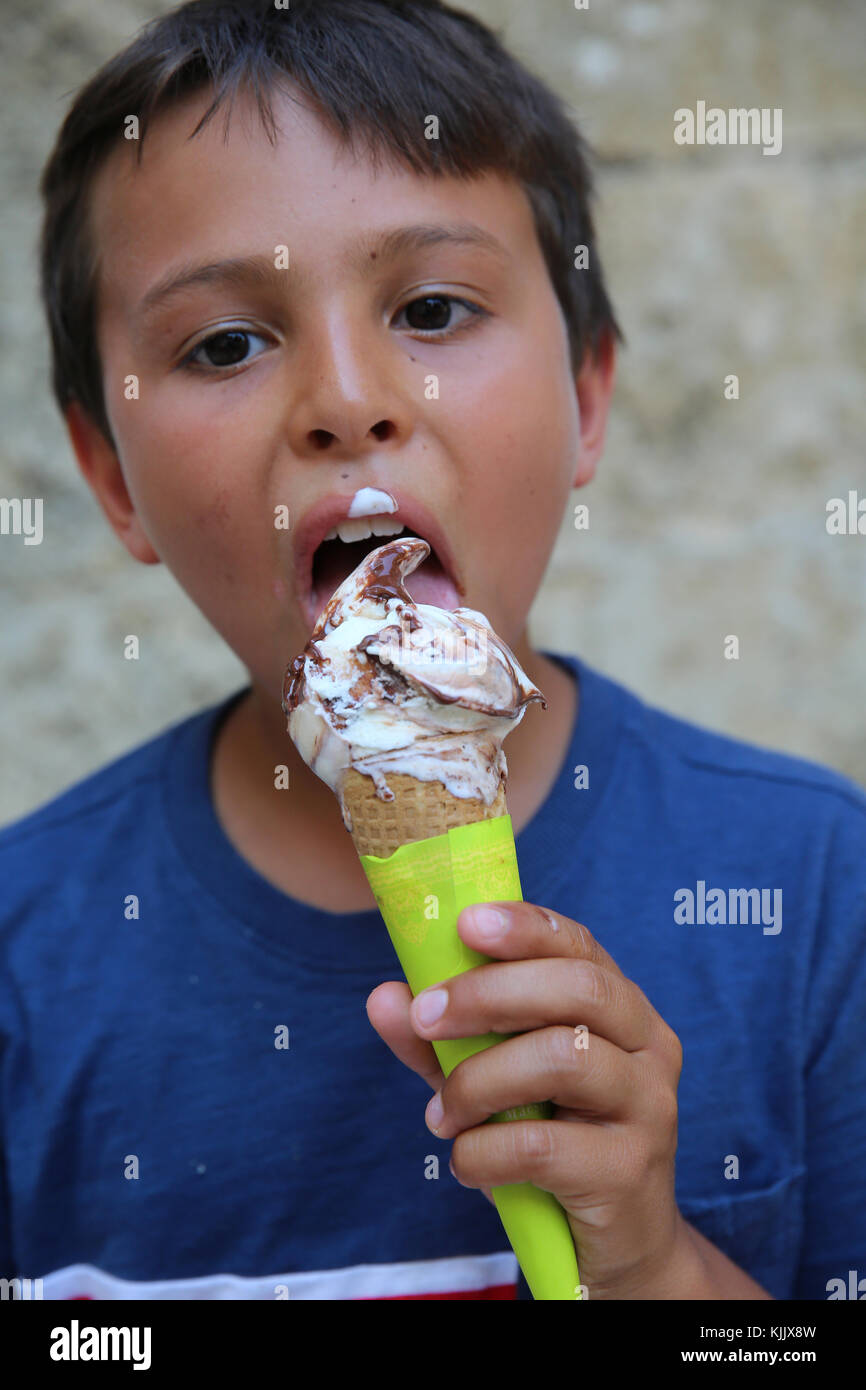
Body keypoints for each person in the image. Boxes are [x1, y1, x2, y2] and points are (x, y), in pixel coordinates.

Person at [1, 0, 863, 1300]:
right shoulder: (25, 961)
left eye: (435, 307)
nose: (349, 401)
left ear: (584, 400)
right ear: (112, 479)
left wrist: (647, 1260)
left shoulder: (816, 894)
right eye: (225, 342)